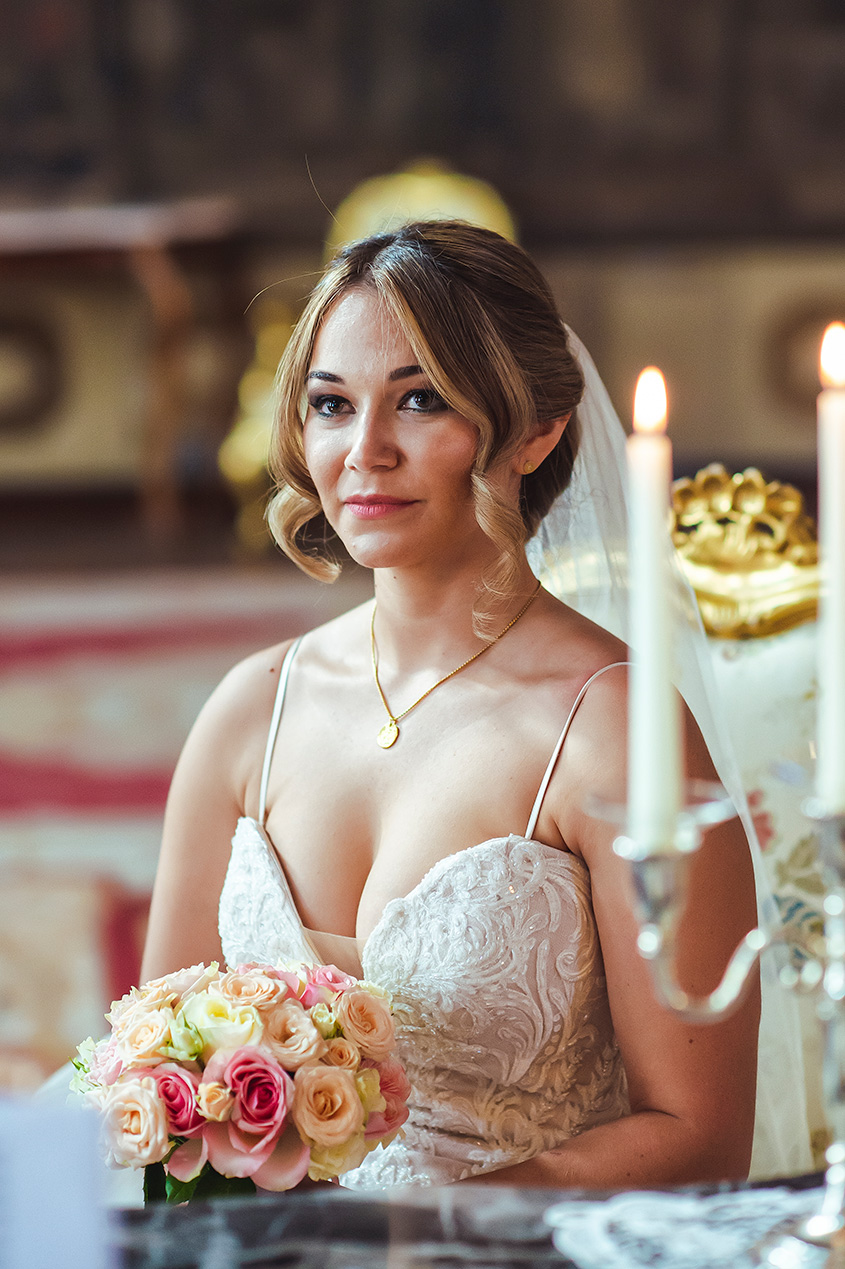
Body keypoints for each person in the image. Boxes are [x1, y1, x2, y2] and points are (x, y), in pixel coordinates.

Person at [141, 221, 809, 1188]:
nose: (364, 450)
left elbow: (698, 1134)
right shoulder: (252, 711)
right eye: (331, 404)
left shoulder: (611, 730)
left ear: (535, 428)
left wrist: (408, 1238)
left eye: (419, 401)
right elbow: (166, 1080)